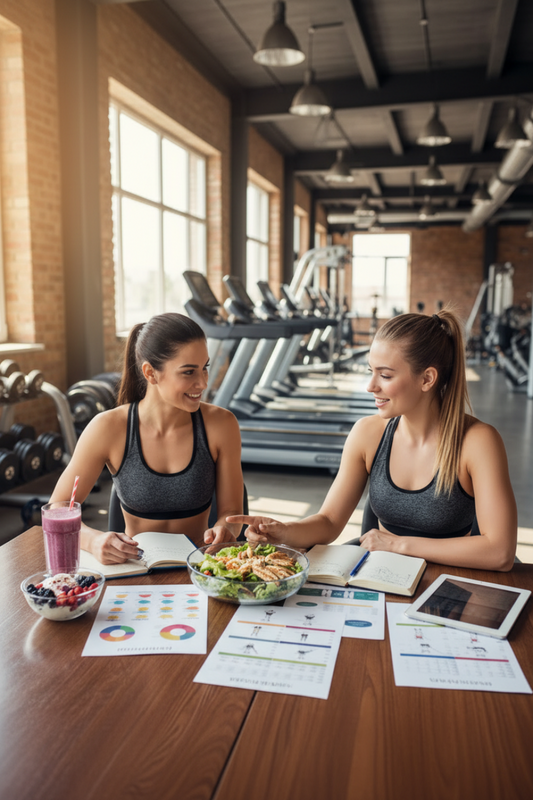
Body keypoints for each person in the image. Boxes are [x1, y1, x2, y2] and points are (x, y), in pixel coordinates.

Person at [228, 308, 517, 571]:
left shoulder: (478, 442)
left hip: (449, 580)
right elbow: (329, 521)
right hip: (381, 575)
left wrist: (400, 544)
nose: (371, 386)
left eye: (385, 375)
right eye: (371, 371)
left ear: (427, 379)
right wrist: (283, 530)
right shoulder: (368, 433)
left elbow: (500, 552)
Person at [51, 312, 244, 564]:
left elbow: (231, 513)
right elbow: (58, 508)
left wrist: (225, 531)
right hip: (133, 568)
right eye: (188, 372)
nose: (202, 383)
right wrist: (93, 540)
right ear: (150, 373)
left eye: (204, 368)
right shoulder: (108, 428)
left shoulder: (222, 425)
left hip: (198, 567)